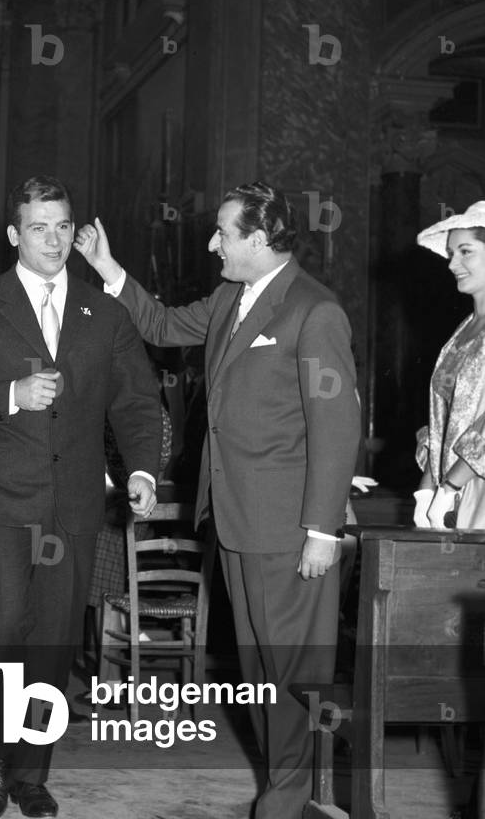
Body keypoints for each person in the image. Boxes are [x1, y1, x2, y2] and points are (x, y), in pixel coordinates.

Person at [75, 180, 361, 819]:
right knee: (260, 674)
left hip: (290, 530)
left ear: (258, 239)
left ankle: (287, 803)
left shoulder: (315, 311)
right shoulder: (233, 296)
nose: (212, 244)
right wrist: (107, 268)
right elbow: (162, 324)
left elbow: (337, 426)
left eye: (223, 234)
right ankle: (288, 794)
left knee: (292, 676)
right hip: (234, 520)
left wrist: (322, 531)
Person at [0, 176, 163, 819]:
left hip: (73, 503)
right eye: (38, 228)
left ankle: (33, 773)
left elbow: (138, 403)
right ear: (14, 234)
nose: (53, 240)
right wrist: (9, 394)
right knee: (1, 627)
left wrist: (142, 469)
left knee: (53, 639)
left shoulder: (104, 313)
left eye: (62, 227)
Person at [412, 202, 485, 530]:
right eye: (451, 253)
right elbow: (443, 417)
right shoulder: (462, 330)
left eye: (465, 252)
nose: (453, 263)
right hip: (453, 490)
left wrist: (451, 485)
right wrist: (428, 488)